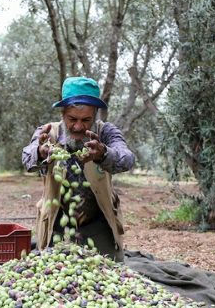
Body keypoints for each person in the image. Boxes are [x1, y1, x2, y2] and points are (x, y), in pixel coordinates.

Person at [22, 76, 135, 261]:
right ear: (62, 113)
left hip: (99, 223)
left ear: (95, 116)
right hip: (56, 224)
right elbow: (27, 157)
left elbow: (127, 158)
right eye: (72, 119)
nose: (78, 126)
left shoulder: (106, 133)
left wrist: (103, 154)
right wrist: (40, 153)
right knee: (53, 274)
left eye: (86, 120)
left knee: (108, 274)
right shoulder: (48, 132)